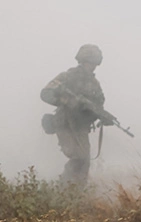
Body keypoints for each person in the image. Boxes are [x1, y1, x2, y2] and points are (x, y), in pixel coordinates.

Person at [40, 44, 118, 185]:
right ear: (81, 61)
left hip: (81, 126)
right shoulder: (66, 77)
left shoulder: (94, 84)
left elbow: (97, 106)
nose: (92, 67)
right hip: (64, 123)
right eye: (89, 63)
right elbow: (45, 94)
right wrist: (67, 101)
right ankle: (62, 189)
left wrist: (103, 117)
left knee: (85, 161)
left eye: (94, 64)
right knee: (77, 158)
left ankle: (78, 191)